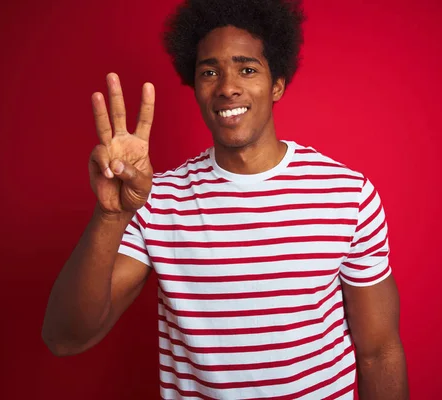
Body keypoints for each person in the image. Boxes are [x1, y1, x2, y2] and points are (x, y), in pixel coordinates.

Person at [41, 0, 409, 398]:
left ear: (277, 84)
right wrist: (110, 216)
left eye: (247, 69)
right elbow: (66, 338)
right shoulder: (157, 200)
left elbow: (379, 351)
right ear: (196, 87)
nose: (227, 86)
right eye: (209, 71)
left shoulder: (347, 193)